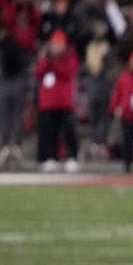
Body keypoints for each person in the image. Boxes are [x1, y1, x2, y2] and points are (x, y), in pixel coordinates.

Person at [34, 29, 80, 172]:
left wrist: (51, 61)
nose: (56, 47)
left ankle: (72, 157)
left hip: (64, 102)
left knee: (68, 131)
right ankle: (50, 157)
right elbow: (38, 72)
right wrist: (44, 59)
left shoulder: (70, 57)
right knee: (49, 132)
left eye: (59, 44)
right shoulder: (46, 58)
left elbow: (66, 72)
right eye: (54, 44)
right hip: (48, 103)